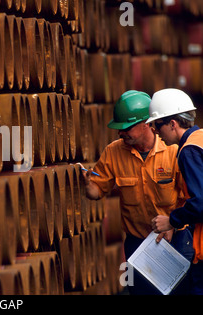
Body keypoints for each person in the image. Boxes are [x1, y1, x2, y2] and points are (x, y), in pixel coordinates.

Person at [79, 90, 186, 295]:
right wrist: (86, 183)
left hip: (175, 240)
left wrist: (174, 222)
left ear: (146, 123)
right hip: (137, 245)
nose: (120, 133)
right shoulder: (113, 152)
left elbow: (189, 197)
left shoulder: (173, 150)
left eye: (126, 127)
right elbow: (95, 192)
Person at [149, 88, 203, 295]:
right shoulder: (201, 138)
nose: (155, 131)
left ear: (173, 124)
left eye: (157, 124)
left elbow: (200, 203)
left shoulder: (189, 150)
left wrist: (172, 220)